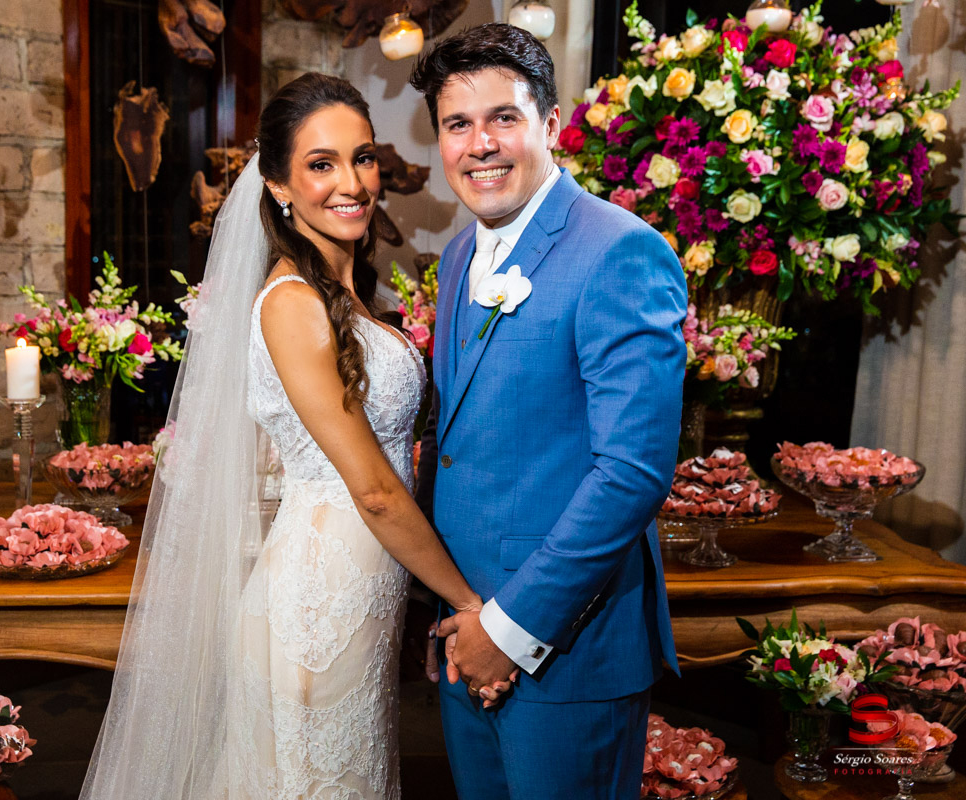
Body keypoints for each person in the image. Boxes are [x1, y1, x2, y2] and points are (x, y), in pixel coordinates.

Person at [79, 72, 509, 800]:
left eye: (362, 157)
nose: (352, 183)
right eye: (321, 164)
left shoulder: (351, 296)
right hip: (317, 607)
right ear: (278, 184)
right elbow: (374, 491)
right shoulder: (291, 303)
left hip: (360, 599)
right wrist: (470, 607)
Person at [410, 24, 687, 799]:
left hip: (567, 648)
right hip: (465, 633)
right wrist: (454, 616)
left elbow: (632, 473)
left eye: (504, 117)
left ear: (551, 124)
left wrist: (508, 631)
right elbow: (459, 446)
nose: (480, 145)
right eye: (458, 124)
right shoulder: (458, 255)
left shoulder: (620, 250)